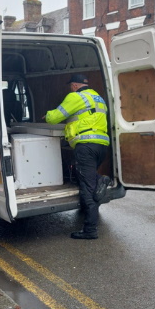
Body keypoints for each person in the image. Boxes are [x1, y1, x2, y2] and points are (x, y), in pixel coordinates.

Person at [43, 74, 111, 239]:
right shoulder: (98, 97)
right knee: (90, 181)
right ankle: (99, 180)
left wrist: (47, 116)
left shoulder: (75, 97)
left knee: (87, 188)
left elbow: (54, 118)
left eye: (70, 86)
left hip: (85, 145)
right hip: (101, 145)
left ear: (74, 85)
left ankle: (90, 230)